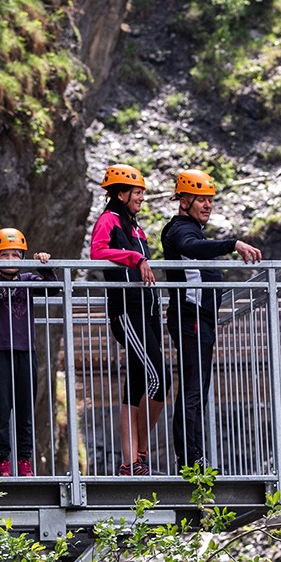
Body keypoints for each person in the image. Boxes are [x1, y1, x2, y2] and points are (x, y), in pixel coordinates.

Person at [160, 169, 262, 471]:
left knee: (198, 391)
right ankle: (190, 461)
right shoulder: (180, 229)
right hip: (190, 317)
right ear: (184, 200)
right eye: (201, 199)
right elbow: (191, 248)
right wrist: (232, 244)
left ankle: (195, 458)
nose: (207, 205)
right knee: (193, 390)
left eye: (210, 200)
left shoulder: (192, 229)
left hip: (200, 320)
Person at [90, 164, 165, 475]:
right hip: (127, 310)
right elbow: (97, 252)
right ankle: (141, 452)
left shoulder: (135, 227)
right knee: (160, 378)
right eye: (137, 193)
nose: (141, 198)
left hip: (146, 309)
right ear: (120, 194)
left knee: (135, 386)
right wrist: (135, 258)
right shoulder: (109, 220)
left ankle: (130, 462)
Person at [0, 228, 52, 476]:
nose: (9, 260)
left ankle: (24, 460)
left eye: (15, 255)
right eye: (3, 255)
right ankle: (3, 460)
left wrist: (45, 265)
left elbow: (53, 288)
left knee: (25, 408)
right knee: (0, 408)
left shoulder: (29, 279)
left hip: (26, 350)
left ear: (23, 257)